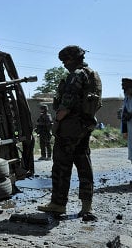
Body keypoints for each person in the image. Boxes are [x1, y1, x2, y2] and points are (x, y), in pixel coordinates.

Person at [37, 45, 102, 221]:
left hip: (70, 128)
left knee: (61, 166)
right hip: (85, 126)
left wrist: (57, 122)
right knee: (84, 166)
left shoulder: (77, 75)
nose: (64, 64)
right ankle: (86, 206)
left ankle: (58, 203)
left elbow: (66, 105)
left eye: (66, 60)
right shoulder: (92, 75)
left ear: (73, 59)